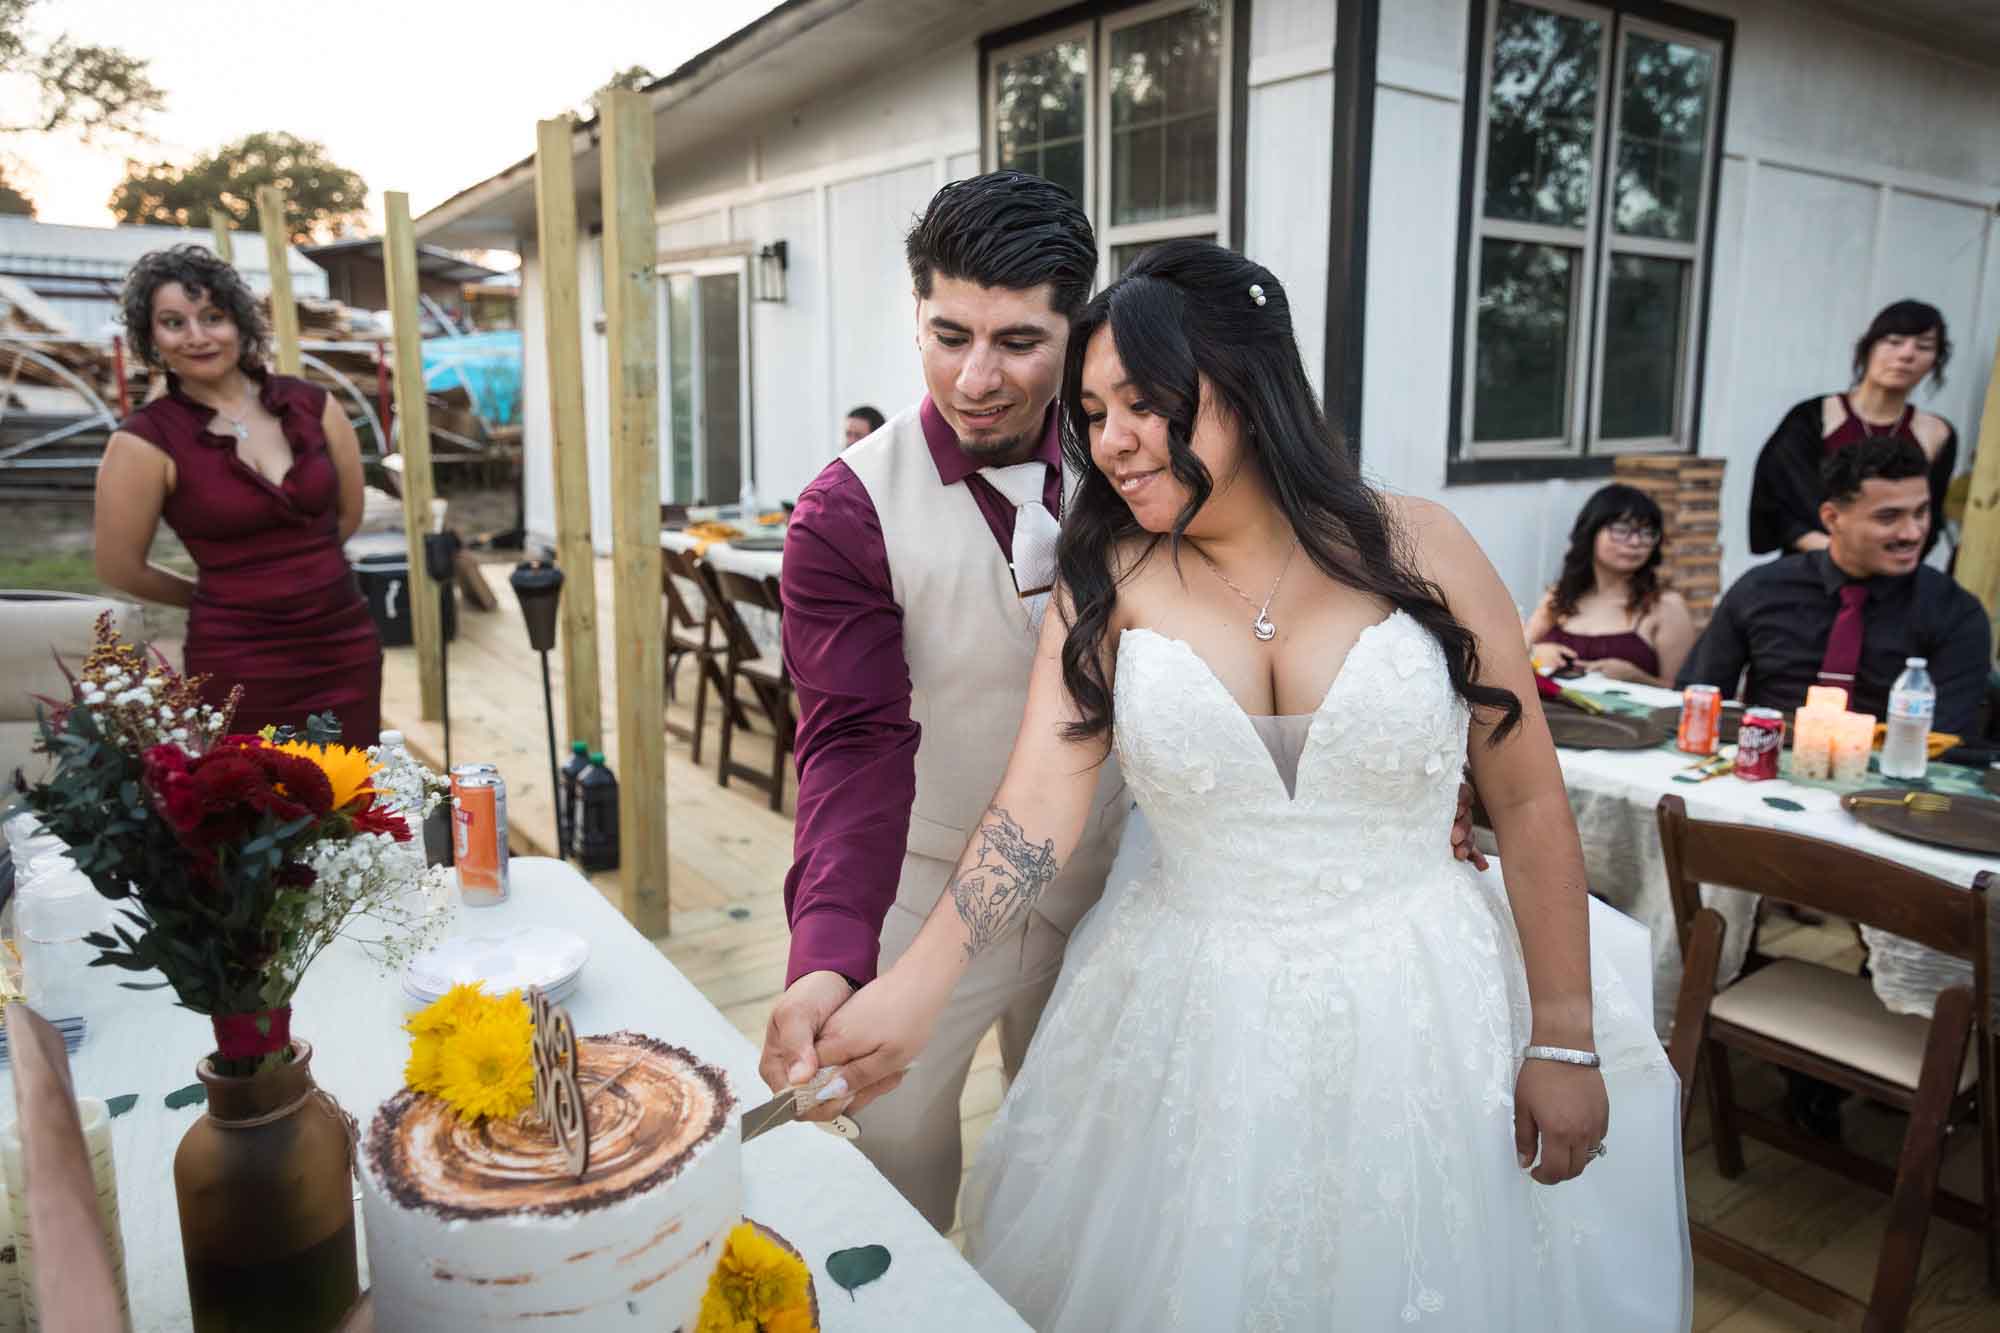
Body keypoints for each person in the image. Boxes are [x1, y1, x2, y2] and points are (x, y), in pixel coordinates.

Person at [811, 242, 1689, 1330]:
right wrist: (912, 988)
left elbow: (1524, 798)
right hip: (1189, 1012)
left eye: (1144, 402)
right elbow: (1033, 809)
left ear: (1249, 385)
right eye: (1089, 412)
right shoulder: (1109, 579)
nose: (1111, 443)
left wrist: (1561, 1032)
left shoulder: (1421, 546)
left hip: (1424, 1004)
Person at [763, 176, 1483, 1234]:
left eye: (1017, 341)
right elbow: (849, 744)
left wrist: (1399, 791)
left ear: (1078, 326)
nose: (975, 376)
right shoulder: (843, 513)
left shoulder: (1163, 459)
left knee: (1077, 1177)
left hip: (1125, 886)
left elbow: (1283, 617)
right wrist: (830, 948)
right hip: (917, 890)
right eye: (946, 334)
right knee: (889, 1172)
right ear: (914, 318)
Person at [93, 245, 383, 742]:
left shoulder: (314, 405)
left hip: (342, 641)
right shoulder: (143, 441)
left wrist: (305, 585)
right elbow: (120, 567)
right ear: (150, 337)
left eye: (213, 317)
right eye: (174, 323)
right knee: (255, 808)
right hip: (238, 659)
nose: (198, 337)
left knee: (355, 801)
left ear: (241, 323)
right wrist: (220, 599)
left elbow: (348, 515)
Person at [1681, 437, 1989, 735]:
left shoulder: (1955, 612)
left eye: (1921, 512)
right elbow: (1695, 699)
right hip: (1761, 763)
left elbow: (1946, 744)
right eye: (1888, 517)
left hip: (1887, 781)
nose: (1912, 533)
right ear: (1831, 518)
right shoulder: (1760, 589)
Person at [1748, 299, 1957, 559]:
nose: (1906, 355)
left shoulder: (1936, 432)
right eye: (1893, 342)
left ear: (1936, 360)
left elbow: (1929, 518)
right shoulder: (1813, 417)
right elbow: (1778, 506)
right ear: (1868, 348)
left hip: (1890, 579)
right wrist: (1845, 557)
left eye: (1923, 346)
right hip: (1810, 569)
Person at [1525, 484, 1695, 687]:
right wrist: (1536, 653)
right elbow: (1515, 650)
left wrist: (1637, 678)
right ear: (1591, 532)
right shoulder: (1560, 596)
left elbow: (1685, 692)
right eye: (1622, 530)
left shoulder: (1666, 606)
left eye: (1647, 533)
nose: (1635, 542)